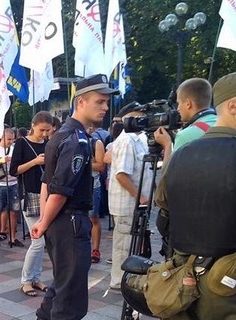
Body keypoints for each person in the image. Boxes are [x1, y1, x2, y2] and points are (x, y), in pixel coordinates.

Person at [32, 74, 118, 320]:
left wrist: (43, 220)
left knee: (62, 285)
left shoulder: (62, 135)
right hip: (70, 222)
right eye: (99, 102)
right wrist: (44, 222)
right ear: (80, 102)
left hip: (61, 221)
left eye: (105, 102)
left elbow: (47, 183)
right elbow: (58, 190)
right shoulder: (76, 139)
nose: (105, 107)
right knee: (70, 299)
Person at [154, 72, 236, 319]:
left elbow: (163, 206)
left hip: (183, 280)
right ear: (233, 105)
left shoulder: (182, 152)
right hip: (226, 288)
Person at [107, 102, 153, 291]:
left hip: (136, 202)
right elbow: (121, 175)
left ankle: (128, 277)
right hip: (128, 203)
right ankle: (119, 281)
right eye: (137, 115)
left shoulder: (139, 138)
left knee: (132, 242)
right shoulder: (126, 140)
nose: (142, 119)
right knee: (123, 245)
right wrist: (140, 196)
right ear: (128, 118)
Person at [9, 111, 53, 296]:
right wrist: (34, 162)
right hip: (29, 196)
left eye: (48, 131)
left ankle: (35, 277)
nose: (44, 134)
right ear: (33, 125)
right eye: (42, 129)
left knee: (43, 242)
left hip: (47, 196)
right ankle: (26, 280)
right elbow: (14, 170)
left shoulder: (49, 143)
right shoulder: (21, 143)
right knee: (38, 241)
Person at [154, 78, 216, 161]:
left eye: (179, 103)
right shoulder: (223, 123)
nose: (178, 109)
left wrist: (167, 145)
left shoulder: (185, 135)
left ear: (188, 104)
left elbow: (170, 173)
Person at [87, 124, 106, 264]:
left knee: (93, 218)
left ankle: (95, 249)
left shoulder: (96, 143)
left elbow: (100, 166)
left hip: (93, 185)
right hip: (77, 186)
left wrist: (83, 164)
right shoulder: (73, 140)